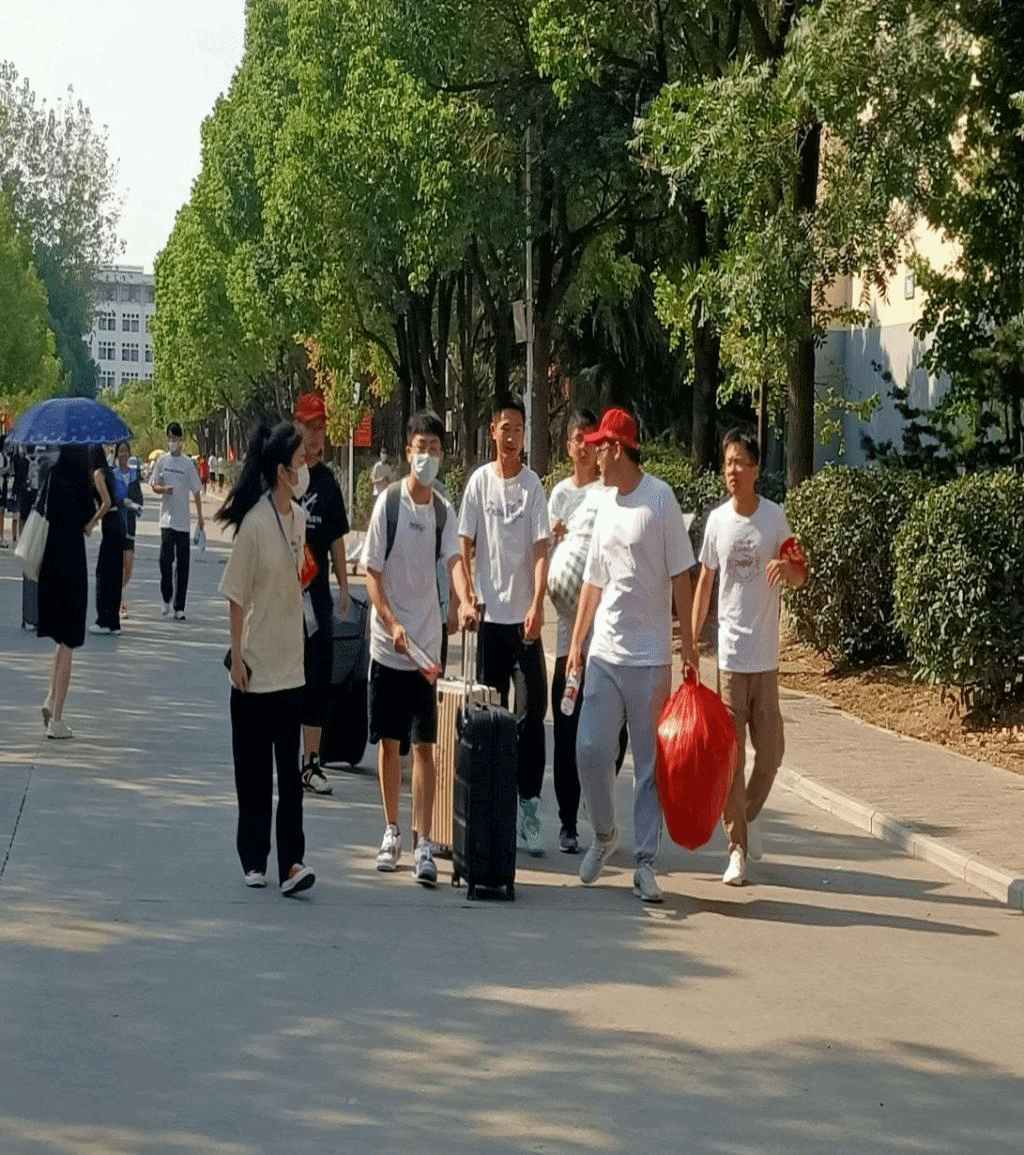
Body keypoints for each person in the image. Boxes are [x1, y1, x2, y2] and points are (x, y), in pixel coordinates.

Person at [568, 407, 699, 904]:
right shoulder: (603, 504)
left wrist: (689, 647)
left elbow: (681, 576)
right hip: (605, 652)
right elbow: (593, 579)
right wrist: (576, 643)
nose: (593, 457)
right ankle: (605, 835)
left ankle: (645, 864)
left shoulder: (660, 500)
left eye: (599, 448)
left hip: (650, 660)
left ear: (617, 449)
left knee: (649, 767)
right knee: (589, 750)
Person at [362, 410, 478, 884]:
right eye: (419, 447)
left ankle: (423, 840)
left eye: (433, 448)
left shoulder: (443, 512)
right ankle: (392, 830)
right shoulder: (388, 505)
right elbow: (371, 575)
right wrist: (391, 623)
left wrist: (465, 600)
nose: (426, 456)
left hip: (427, 649)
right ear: (407, 451)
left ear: (442, 455)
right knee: (390, 745)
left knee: (424, 745)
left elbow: (454, 561)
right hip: (388, 647)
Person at [692, 427, 807, 887]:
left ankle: (748, 814)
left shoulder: (775, 518)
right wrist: (692, 644)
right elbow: (705, 582)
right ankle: (736, 849)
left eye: (740, 462)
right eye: (727, 463)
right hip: (730, 660)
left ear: (756, 469)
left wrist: (787, 567)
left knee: (772, 752)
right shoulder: (718, 521)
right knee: (731, 758)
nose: (732, 470)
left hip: (765, 660)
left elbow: (800, 574)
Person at [216, 421, 316, 897]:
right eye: (299, 461)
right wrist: (237, 658)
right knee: (254, 774)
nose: (305, 467)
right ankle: (254, 858)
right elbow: (236, 597)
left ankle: (292, 863)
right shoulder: (255, 524)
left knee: (290, 778)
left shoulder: (299, 518)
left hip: (291, 667)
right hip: (254, 671)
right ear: (281, 469)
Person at [458, 394, 551, 855]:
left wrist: (537, 604)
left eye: (518, 429)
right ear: (492, 431)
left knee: (532, 715)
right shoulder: (479, 483)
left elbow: (541, 550)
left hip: (524, 624)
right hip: (490, 623)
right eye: (504, 428)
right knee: (488, 718)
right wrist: (468, 596)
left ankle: (528, 807)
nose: (511, 437)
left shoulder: (533, 486)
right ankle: (489, 805)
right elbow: (464, 542)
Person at [548, 408, 628, 853]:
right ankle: (567, 821)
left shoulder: (609, 494)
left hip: (608, 637)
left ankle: (595, 796)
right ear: (568, 446)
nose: (584, 447)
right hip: (568, 636)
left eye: (590, 439)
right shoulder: (559, 496)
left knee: (615, 733)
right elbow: (548, 555)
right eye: (577, 439)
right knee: (567, 727)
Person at [292, 391, 351, 795]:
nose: (315, 434)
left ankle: (311, 763)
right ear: (296, 426)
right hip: (282, 597)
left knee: (316, 679)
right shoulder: (281, 473)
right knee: (281, 679)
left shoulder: (328, 483)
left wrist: (344, 586)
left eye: (321, 427)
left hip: (316, 597)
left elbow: (336, 540)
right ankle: (282, 755)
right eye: (309, 426)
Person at [38, 445, 102, 738]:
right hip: (72, 562)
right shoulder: (80, 480)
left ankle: (51, 698)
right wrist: (93, 520)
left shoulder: (51, 474)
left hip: (50, 562)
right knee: (69, 642)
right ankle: (57, 720)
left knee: (60, 640)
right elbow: (87, 522)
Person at [150, 422, 204, 620]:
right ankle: (166, 596)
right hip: (166, 520)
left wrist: (200, 517)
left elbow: (196, 491)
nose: (173, 442)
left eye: (176, 439)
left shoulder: (187, 464)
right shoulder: (162, 461)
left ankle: (179, 607)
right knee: (165, 561)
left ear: (181, 441)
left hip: (183, 522)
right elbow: (154, 485)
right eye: (170, 439)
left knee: (182, 566)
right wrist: (163, 490)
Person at [88, 445, 125, 635]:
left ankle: (103, 619)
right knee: (114, 573)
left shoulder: (98, 474)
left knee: (103, 572)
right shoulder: (108, 471)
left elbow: (106, 503)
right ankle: (114, 622)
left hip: (111, 523)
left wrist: (92, 521)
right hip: (118, 523)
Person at [111, 440, 143, 618]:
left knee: (128, 569)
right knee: (118, 566)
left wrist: (136, 505)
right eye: (120, 451)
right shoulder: (112, 474)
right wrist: (122, 502)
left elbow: (139, 498)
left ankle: (116, 594)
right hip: (116, 524)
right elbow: (109, 498)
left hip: (130, 525)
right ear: (117, 454)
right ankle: (119, 602)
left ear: (129, 454)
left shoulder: (133, 475)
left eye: (126, 451)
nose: (123, 454)